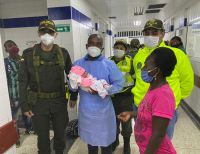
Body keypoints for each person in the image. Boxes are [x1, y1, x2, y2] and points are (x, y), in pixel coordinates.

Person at [19, 19, 76, 154]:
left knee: (60, 136)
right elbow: (22, 82)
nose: (46, 34)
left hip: (59, 101)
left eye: (50, 32)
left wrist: (73, 96)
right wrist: (24, 105)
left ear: (55, 34)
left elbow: (72, 77)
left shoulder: (63, 53)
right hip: (38, 103)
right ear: (39, 33)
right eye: (43, 31)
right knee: (43, 139)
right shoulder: (28, 54)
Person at [132, 18, 194, 139]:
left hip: (163, 110)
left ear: (162, 34)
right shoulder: (139, 55)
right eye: (147, 33)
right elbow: (139, 79)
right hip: (139, 107)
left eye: (154, 32)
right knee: (143, 140)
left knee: (162, 144)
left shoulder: (176, 54)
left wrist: (174, 99)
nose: (150, 36)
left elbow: (187, 82)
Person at [69, 34, 124, 154]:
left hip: (104, 113)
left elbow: (119, 84)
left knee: (106, 144)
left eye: (98, 44)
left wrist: (104, 90)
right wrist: (73, 86)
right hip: (86, 111)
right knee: (91, 144)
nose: (94, 46)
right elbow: (72, 86)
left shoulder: (109, 64)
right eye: (91, 43)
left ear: (102, 48)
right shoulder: (78, 64)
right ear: (86, 45)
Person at [118, 47, 177, 154]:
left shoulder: (163, 95)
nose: (143, 69)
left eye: (146, 66)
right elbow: (149, 112)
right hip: (146, 147)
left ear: (157, 71)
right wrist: (131, 113)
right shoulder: (153, 88)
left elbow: (158, 134)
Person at [4, 40, 33, 147]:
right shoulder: (5, 63)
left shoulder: (23, 59)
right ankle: (16, 138)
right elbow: (5, 82)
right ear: (6, 50)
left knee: (28, 114)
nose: (12, 48)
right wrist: (9, 99)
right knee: (14, 119)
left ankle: (29, 129)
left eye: (13, 45)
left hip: (26, 94)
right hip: (14, 96)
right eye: (9, 47)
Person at [109, 40, 134, 154]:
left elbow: (135, 78)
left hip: (126, 96)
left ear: (125, 50)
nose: (118, 50)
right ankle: (115, 141)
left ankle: (127, 144)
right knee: (113, 121)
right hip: (112, 97)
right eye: (116, 47)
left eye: (121, 48)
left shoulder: (130, 61)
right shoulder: (108, 61)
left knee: (126, 122)